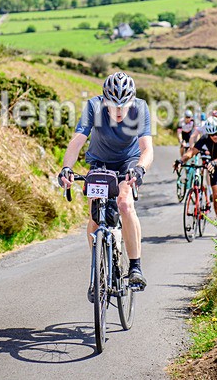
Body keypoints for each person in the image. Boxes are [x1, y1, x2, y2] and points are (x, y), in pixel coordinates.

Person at [57, 71, 153, 300]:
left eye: (124, 106)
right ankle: (98, 272)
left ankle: (135, 267)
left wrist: (139, 169)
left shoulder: (140, 108)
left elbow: (147, 148)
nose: (119, 112)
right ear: (104, 101)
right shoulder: (93, 107)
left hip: (128, 162)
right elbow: (77, 141)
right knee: (94, 217)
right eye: (113, 105)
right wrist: (66, 168)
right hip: (99, 162)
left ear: (131, 101)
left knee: (125, 205)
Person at [177, 117, 217, 240]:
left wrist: (214, 162)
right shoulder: (205, 139)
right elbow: (192, 151)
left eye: (216, 133)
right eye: (211, 134)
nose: (214, 137)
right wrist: (181, 160)